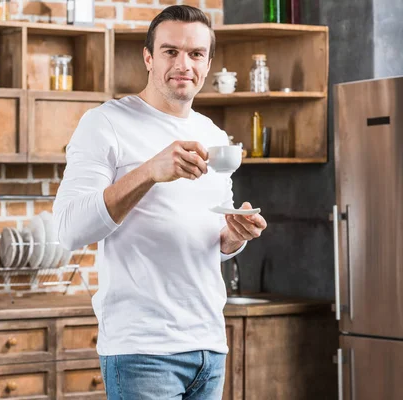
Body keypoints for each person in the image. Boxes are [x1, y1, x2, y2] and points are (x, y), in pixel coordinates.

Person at [53, 5, 267, 399]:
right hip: (142, 351)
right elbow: (68, 229)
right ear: (149, 57)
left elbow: (210, 240)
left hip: (209, 346)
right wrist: (150, 171)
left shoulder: (213, 134)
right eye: (170, 51)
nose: (183, 64)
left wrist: (233, 237)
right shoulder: (105, 124)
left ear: (207, 63)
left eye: (195, 54)